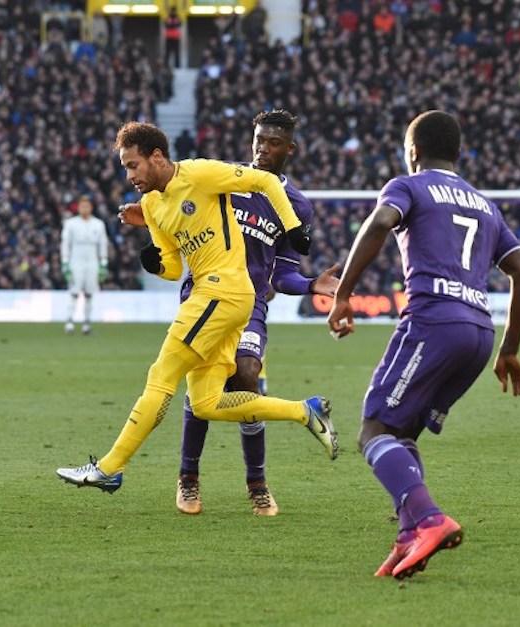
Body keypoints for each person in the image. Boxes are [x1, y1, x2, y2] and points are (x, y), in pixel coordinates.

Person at [56, 122, 338, 493]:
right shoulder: (153, 205)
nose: (129, 176)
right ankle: (304, 410)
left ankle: (109, 468)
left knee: (161, 376)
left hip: (224, 292)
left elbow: (266, 182)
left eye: (133, 165)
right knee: (205, 403)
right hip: (213, 296)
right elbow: (173, 268)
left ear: (157, 157)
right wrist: (153, 261)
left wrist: (294, 229)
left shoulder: (200, 173)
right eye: (125, 168)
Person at [327, 110, 520, 580]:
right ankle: (409, 537)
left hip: (433, 322)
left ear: (413, 151)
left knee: (374, 429)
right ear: (458, 153)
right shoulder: (485, 205)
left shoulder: (409, 186)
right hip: (480, 334)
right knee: (402, 435)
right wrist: (509, 349)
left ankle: (429, 519)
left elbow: (380, 223)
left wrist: (343, 293)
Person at [60, 196, 109, 335]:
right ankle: (69, 322)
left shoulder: (98, 224)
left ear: (91, 208)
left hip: (92, 259)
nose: (84, 209)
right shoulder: (70, 224)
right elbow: (65, 243)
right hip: (76, 259)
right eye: (82, 206)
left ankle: (86, 323)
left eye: (87, 206)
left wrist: (103, 263)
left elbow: (103, 243)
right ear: (78, 208)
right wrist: (65, 262)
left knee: (89, 293)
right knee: (74, 292)